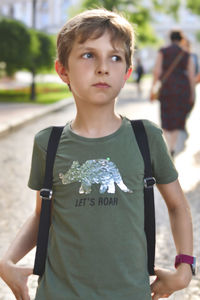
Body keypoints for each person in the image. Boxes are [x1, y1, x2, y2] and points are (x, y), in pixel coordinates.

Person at [0, 9, 194, 300]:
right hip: (58, 293)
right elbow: (42, 215)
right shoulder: (48, 143)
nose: (103, 67)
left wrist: (185, 267)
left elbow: (178, 206)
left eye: (115, 57)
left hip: (129, 292)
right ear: (63, 69)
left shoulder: (146, 138)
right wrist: (7, 262)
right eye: (88, 55)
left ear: (127, 72)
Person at [150, 30, 195, 157]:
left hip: (167, 88)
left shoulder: (163, 52)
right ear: (181, 40)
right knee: (177, 120)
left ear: (170, 39)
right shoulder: (186, 54)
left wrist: (152, 89)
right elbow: (191, 76)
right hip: (182, 90)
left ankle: (169, 145)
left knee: (166, 117)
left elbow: (156, 71)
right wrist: (191, 93)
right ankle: (173, 147)